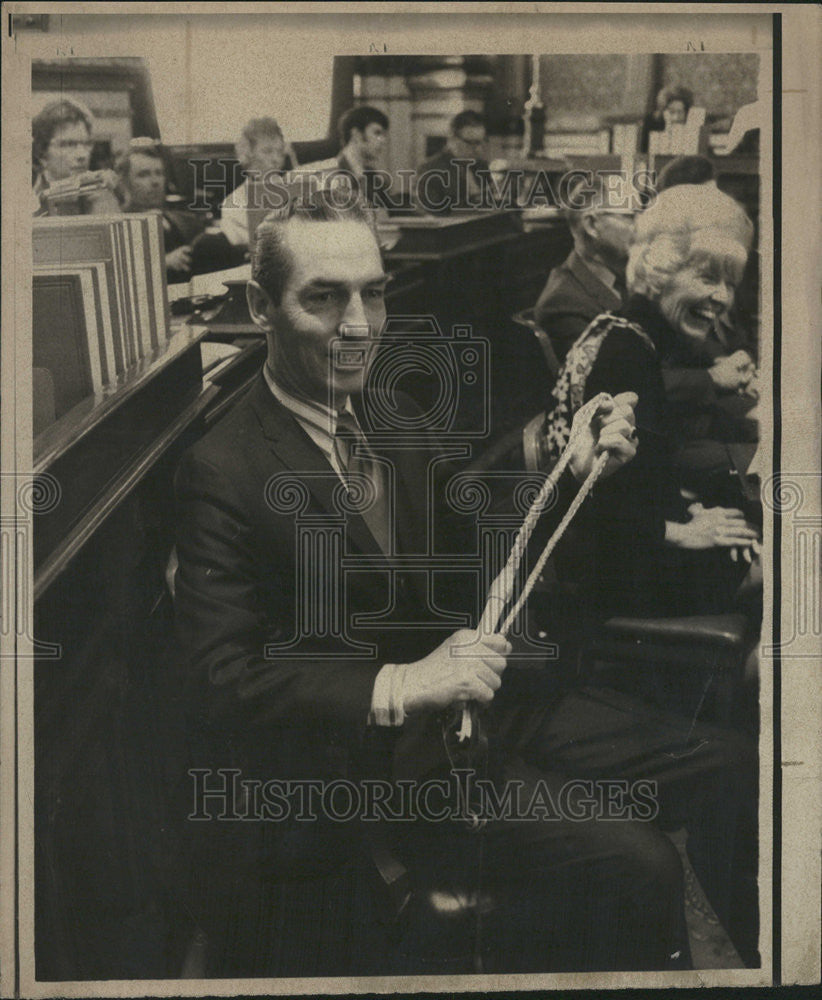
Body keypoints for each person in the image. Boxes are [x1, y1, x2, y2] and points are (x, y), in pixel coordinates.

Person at [172, 189, 757, 976]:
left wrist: (568, 468)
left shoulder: (390, 413)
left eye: (373, 293)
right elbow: (222, 679)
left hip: (486, 715)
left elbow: (474, 544)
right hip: (386, 774)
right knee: (641, 864)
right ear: (260, 305)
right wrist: (400, 683)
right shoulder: (224, 468)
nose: (358, 325)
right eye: (324, 297)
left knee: (734, 768)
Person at [543, 183, 761, 619]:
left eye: (730, 283)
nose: (722, 298)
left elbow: (639, 481)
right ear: (661, 270)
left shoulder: (630, 333)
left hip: (637, 547)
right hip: (623, 574)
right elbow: (601, 509)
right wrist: (684, 531)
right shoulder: (629, 352)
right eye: (706, 276)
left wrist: (687, 509)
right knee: (794, 568)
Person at [533, 174, 635, 362]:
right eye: (630, 216)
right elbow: (613, 378)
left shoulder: (623, 277)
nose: (641, 226)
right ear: (592, 225)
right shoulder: (564, 303)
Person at [116, 140, 207, 283]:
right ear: (124, 182)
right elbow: (119, 273)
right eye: (143, 174)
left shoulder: (178, 219)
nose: (155, 181)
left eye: (159, 173)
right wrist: (164, 263)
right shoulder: (119, 225)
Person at [32, 98, 120, 215]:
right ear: (41, 153)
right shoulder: (24, 199)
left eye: (87, 144)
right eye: (68, 144)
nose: (82, 155)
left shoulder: (100, 192)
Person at [219, 117, 295, 247]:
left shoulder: (296, 191)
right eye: (267, 151)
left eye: (280, 152)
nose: (276, 159)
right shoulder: (233, 204)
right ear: (248, 155)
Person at [416, 110, 491, 214]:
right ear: (453, 139)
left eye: (482, 142)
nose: (479, 150)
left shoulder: (482, 166)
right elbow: (433, 215)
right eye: (472, 143)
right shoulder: (429, 170)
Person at [640, 85, 694, 153]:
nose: (676, 118)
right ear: (663, 112)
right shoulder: (653, 131)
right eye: (671, 112)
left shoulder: (691, 132)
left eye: (680, 112)